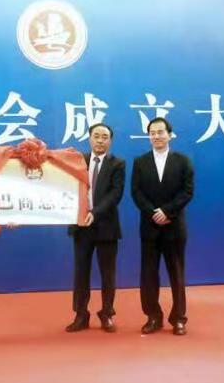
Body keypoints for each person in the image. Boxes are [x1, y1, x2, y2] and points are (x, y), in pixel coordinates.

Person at [131, 117, 194, 336]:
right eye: (152, 133)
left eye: (160, 132)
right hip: (149, 227)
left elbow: (187, 191)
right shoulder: (140, 162)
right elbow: (136, 192)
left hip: (174, 227)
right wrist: (152, 213)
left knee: (176, 273)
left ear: (170, 135)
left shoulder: (183, 161)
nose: (156, 136)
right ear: (148, 136)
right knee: (148, 274)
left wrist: (167, 211)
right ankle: (153, 316)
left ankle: (179, 318)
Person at [66, 123, 125, 333]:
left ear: (110, 141)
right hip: (81, 226)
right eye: (96, 136)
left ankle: (107, 314)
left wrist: (96, 212)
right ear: (89, 138)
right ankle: (81, 314)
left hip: (106, 226)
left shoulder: (117, 163)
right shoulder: (77, 161)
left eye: (104, 137)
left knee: (108, 274)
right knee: (80, 273)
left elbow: (115, 194)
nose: (100, 140)